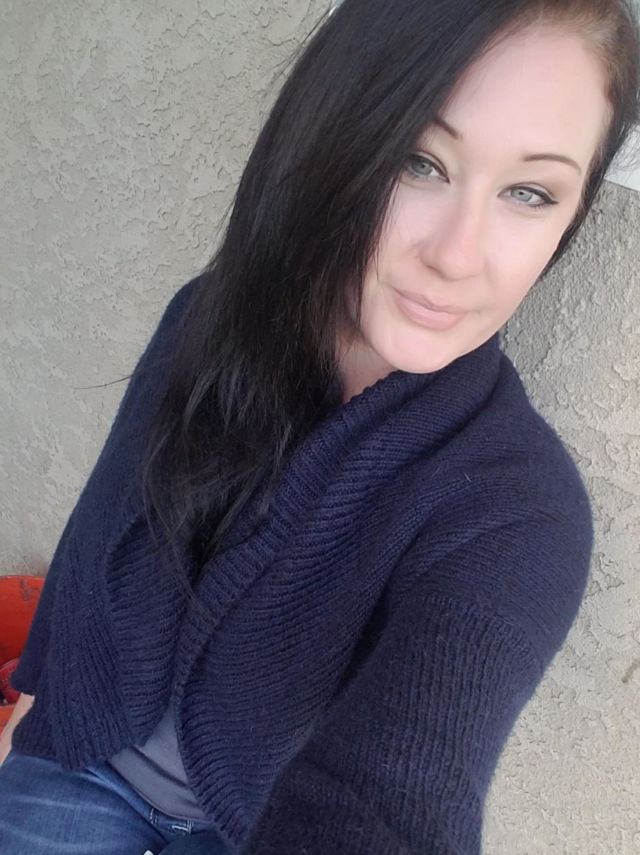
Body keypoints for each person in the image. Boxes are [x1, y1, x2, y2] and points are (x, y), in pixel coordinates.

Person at [0, 1, 638, 853]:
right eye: (419, 161)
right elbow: (103, 527)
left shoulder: (522, 513)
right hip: (79, 757)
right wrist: (34, 699)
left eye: (530, 192)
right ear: (335, 138)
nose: (457, 254)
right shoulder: (209, 317)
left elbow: (397, 798)